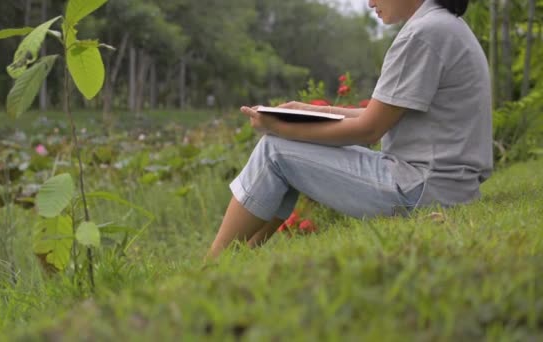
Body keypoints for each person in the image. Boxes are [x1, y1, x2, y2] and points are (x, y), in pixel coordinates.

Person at [207, 0, 492, 258]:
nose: (369, 3)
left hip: (422, 190)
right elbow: (378, 113)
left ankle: (213, 264)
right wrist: (310, 111)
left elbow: (369, 130)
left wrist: (280, 129)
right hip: (445, 187)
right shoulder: (441, 25)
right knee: (282, 152)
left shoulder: (423, 34)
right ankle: (234, 260)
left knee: (274, 151)